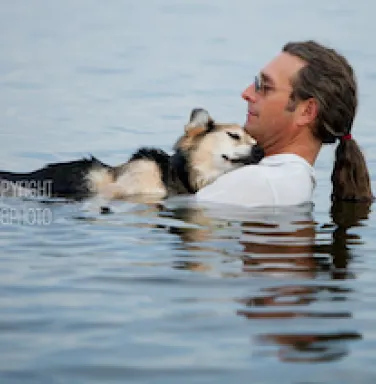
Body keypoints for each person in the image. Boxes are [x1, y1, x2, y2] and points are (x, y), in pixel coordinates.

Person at [196, 40, 373, 207]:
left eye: (265, 87)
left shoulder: (261, 182)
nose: (247, 93)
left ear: (307, 111)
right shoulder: (290, 180)